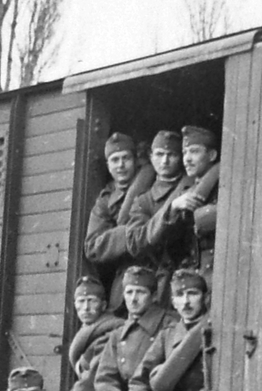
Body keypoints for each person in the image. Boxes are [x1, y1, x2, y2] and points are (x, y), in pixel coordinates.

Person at [124, 269, 210, 391]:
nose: (186, 302)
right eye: (180, 295)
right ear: (173, 302)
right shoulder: (167, 335)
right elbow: (139, 380)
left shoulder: (215, 333)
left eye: (192, 294)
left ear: (204, 298)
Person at [139, 125, 220, 280]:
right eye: (184, 152)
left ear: (211, 155)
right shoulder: (186, 192)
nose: (187, 159)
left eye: (194, 151)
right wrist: (174, 208)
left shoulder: (222, 183)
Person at [82, 133, 150, 309]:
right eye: (115, 160)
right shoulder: (105, 200)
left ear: (135, 160)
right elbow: (92, 247)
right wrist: (130, 232)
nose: (120, 165)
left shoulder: (151, 184)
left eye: (126, 158)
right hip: (124, 279)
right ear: (108, 165)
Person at [124, 129, 186, 295]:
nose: (165, 161)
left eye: (171, 155)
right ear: (151, 157)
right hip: (161, 280)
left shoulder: (192, 186)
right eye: (159, 154)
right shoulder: (144, 200)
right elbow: (134, 242)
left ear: (181, 157)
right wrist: (170, 210)